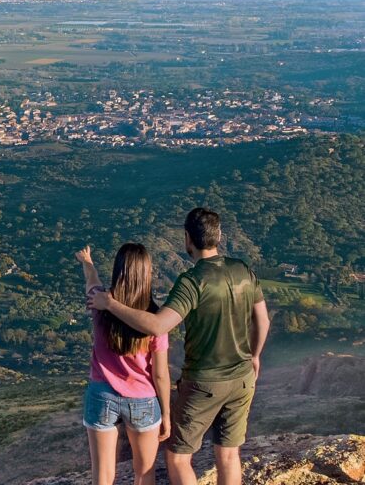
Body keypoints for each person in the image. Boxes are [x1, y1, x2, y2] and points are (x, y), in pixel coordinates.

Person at [88, 208, 271, 485]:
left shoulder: (192, 282)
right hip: (243, 378)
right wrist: (255, 355)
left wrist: (110, 303)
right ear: (219, 236)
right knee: (230, 454)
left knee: (178, 456)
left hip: (204, 382)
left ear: (187, 239)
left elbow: (158, 326)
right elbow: (263, 320)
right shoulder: (243, 270)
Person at [76, 243, 171, 485]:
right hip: (143, 399)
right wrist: (167, 415)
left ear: (118, 272)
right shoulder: (155, 320)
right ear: (146, 274)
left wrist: (87, 261)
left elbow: (91, 279)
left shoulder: (99, 304)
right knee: (144, 473)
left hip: (101, 394)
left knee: (103, 475)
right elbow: (160, 375)